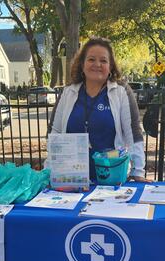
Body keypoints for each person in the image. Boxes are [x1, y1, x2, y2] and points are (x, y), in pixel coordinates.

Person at [49, 37, 151, 183]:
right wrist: (50, 170)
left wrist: (138, 171)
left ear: (110, 67)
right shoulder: (68, 93)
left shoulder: (121, 92)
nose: (97, 64)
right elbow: (55, 133)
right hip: (71, 181)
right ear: (82, 64)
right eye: (91, 59)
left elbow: (133, 133)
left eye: (103, 61)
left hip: (111, 180)